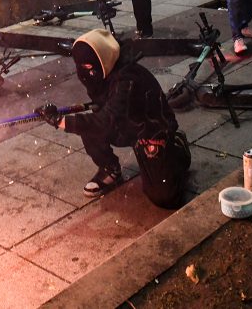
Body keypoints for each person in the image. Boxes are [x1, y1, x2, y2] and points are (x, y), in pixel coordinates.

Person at [34, 29, 191, 208]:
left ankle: (176, 150)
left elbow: (105, 122)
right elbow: (103, 115)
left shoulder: (127, 79)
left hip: (150, 128)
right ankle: (110, 169)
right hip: (123, 123)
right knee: (90, 126)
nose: (84, 72)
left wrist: (60, 121)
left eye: (87, 67)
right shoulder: (101, 70)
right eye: (80, 66)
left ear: (102, 58)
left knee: (165, 197)